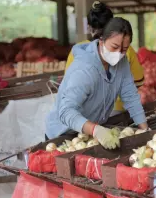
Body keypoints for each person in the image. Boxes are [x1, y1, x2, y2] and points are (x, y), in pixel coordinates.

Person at [46, 17, 148, 148]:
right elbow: (66, 112)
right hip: (62, 136)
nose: (118, 54)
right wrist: (96, 130)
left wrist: (145, 130)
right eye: (114, 47)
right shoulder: (84, 70)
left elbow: (130, 97)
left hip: (89, 135)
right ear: (101, 41)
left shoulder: (122, 63)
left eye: (124, 49)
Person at [65, 1, 144, 117]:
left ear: (89, 27)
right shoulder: (126, 50)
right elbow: (138, 81)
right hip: (118, 112)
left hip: (86, 116)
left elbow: (69, 87)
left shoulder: (78, 50)